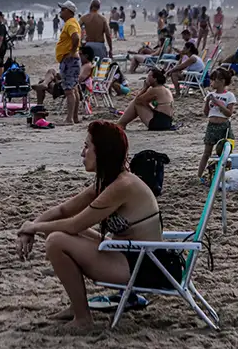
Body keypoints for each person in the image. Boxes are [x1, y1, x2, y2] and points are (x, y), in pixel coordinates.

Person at [16, 120, 178, 329]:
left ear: (102, 152)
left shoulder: (122, 185)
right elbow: (63, 210)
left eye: (86, 147)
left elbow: (74, 225)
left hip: (146, 266)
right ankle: (77, 308)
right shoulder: (109, 180)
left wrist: (32, 227)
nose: (82, 153)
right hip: (127, 253)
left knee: (56, 239)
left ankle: (83, 318)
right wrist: (31, 226)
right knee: (57, 230)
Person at [199, 68, 237, 179]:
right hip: (211, 126)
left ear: (222, 81)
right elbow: (206, 113)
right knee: (207, 152)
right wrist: (207, 101)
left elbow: (228, 113)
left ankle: (224, 174)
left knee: (225, 153)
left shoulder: (229, 95)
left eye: (214, 80)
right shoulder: (211, 94)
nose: (211, 83)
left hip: (223, 126)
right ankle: (199, 175)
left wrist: (217, 103)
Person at [55, 0, 83, 124]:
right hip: (72, 60)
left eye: (62, 9)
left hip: (70, 60)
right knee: (74, 88)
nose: (60, 12)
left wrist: (71, 52)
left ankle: (69, 118)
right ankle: (74, 117)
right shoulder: (72, 22)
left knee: (69, 90)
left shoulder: (70, 23)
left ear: (68, 11)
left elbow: (75, 37)